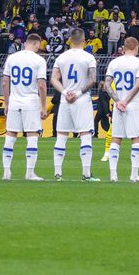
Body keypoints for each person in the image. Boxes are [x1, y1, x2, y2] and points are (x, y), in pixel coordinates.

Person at [50, 27, 100, 181]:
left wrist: (65, 93)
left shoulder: (62, 57)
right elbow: (92, 80)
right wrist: (77, 93)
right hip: (82, 100)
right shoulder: (88, 57)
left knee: (62, 135)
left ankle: (58, 173)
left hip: (66, 100)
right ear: (84, 41)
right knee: (85, 134)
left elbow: (53, 78)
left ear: (70, 40)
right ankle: (86, 174)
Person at [1, 33, 48, 181]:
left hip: (14, 101)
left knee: (10, 136)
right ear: (36, 44)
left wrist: (7, 103)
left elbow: (5, 82)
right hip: (31, 102)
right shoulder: (39, 60)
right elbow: (41, 85)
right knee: (32, 136)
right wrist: (44, 106)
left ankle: (6, 172)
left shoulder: (12, 58)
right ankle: (29, 173)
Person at [104, 36, 139, 182]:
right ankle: (134, 175)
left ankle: (113, 174)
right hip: (133, 105)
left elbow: (107, 84)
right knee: (136, 138)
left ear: (124, 47)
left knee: (116, 139)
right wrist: (126, 101)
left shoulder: (114, 62)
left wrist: (118, 101)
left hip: (118, 106)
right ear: (136, 47)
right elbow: (138, 84)